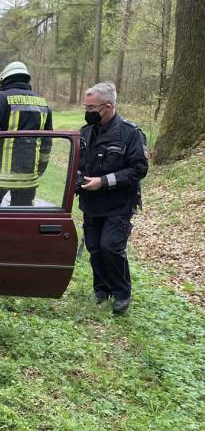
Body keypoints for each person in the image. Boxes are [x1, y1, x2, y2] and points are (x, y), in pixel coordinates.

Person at [78, 82, 148, 313]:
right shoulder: (85, 133)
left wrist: (104, 181)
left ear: (108, 106)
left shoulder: (131, 134)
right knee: (94, 248)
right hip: (91, 203)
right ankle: (101, 290)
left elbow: (138, 169)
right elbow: (76, 164)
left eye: (91, 108)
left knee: (110, 247)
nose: (87, 112)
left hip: (118, 204)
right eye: (85, 107)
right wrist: (79, 179)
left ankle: (121, 293)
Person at [0, 61, 53, 206]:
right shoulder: (43, 103)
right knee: (21, 222)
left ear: (6, 79)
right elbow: (46, 143)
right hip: (27, 178)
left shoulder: (1, 100)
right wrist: (40, 169)